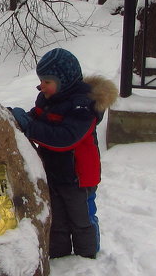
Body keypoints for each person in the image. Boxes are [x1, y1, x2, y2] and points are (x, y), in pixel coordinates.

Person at [9, 48, 118, 259]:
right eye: (41, 80)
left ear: (64, 81)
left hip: (79, 177)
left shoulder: (83, 107)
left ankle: (87, 257)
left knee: (81, 220)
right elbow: (38, 119)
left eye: (47, 81)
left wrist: (30, 126)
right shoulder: (48, 100)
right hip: (55, 173)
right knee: (57, 218)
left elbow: (65, 139)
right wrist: (20, 119)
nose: (41, 86)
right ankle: (58, 254)